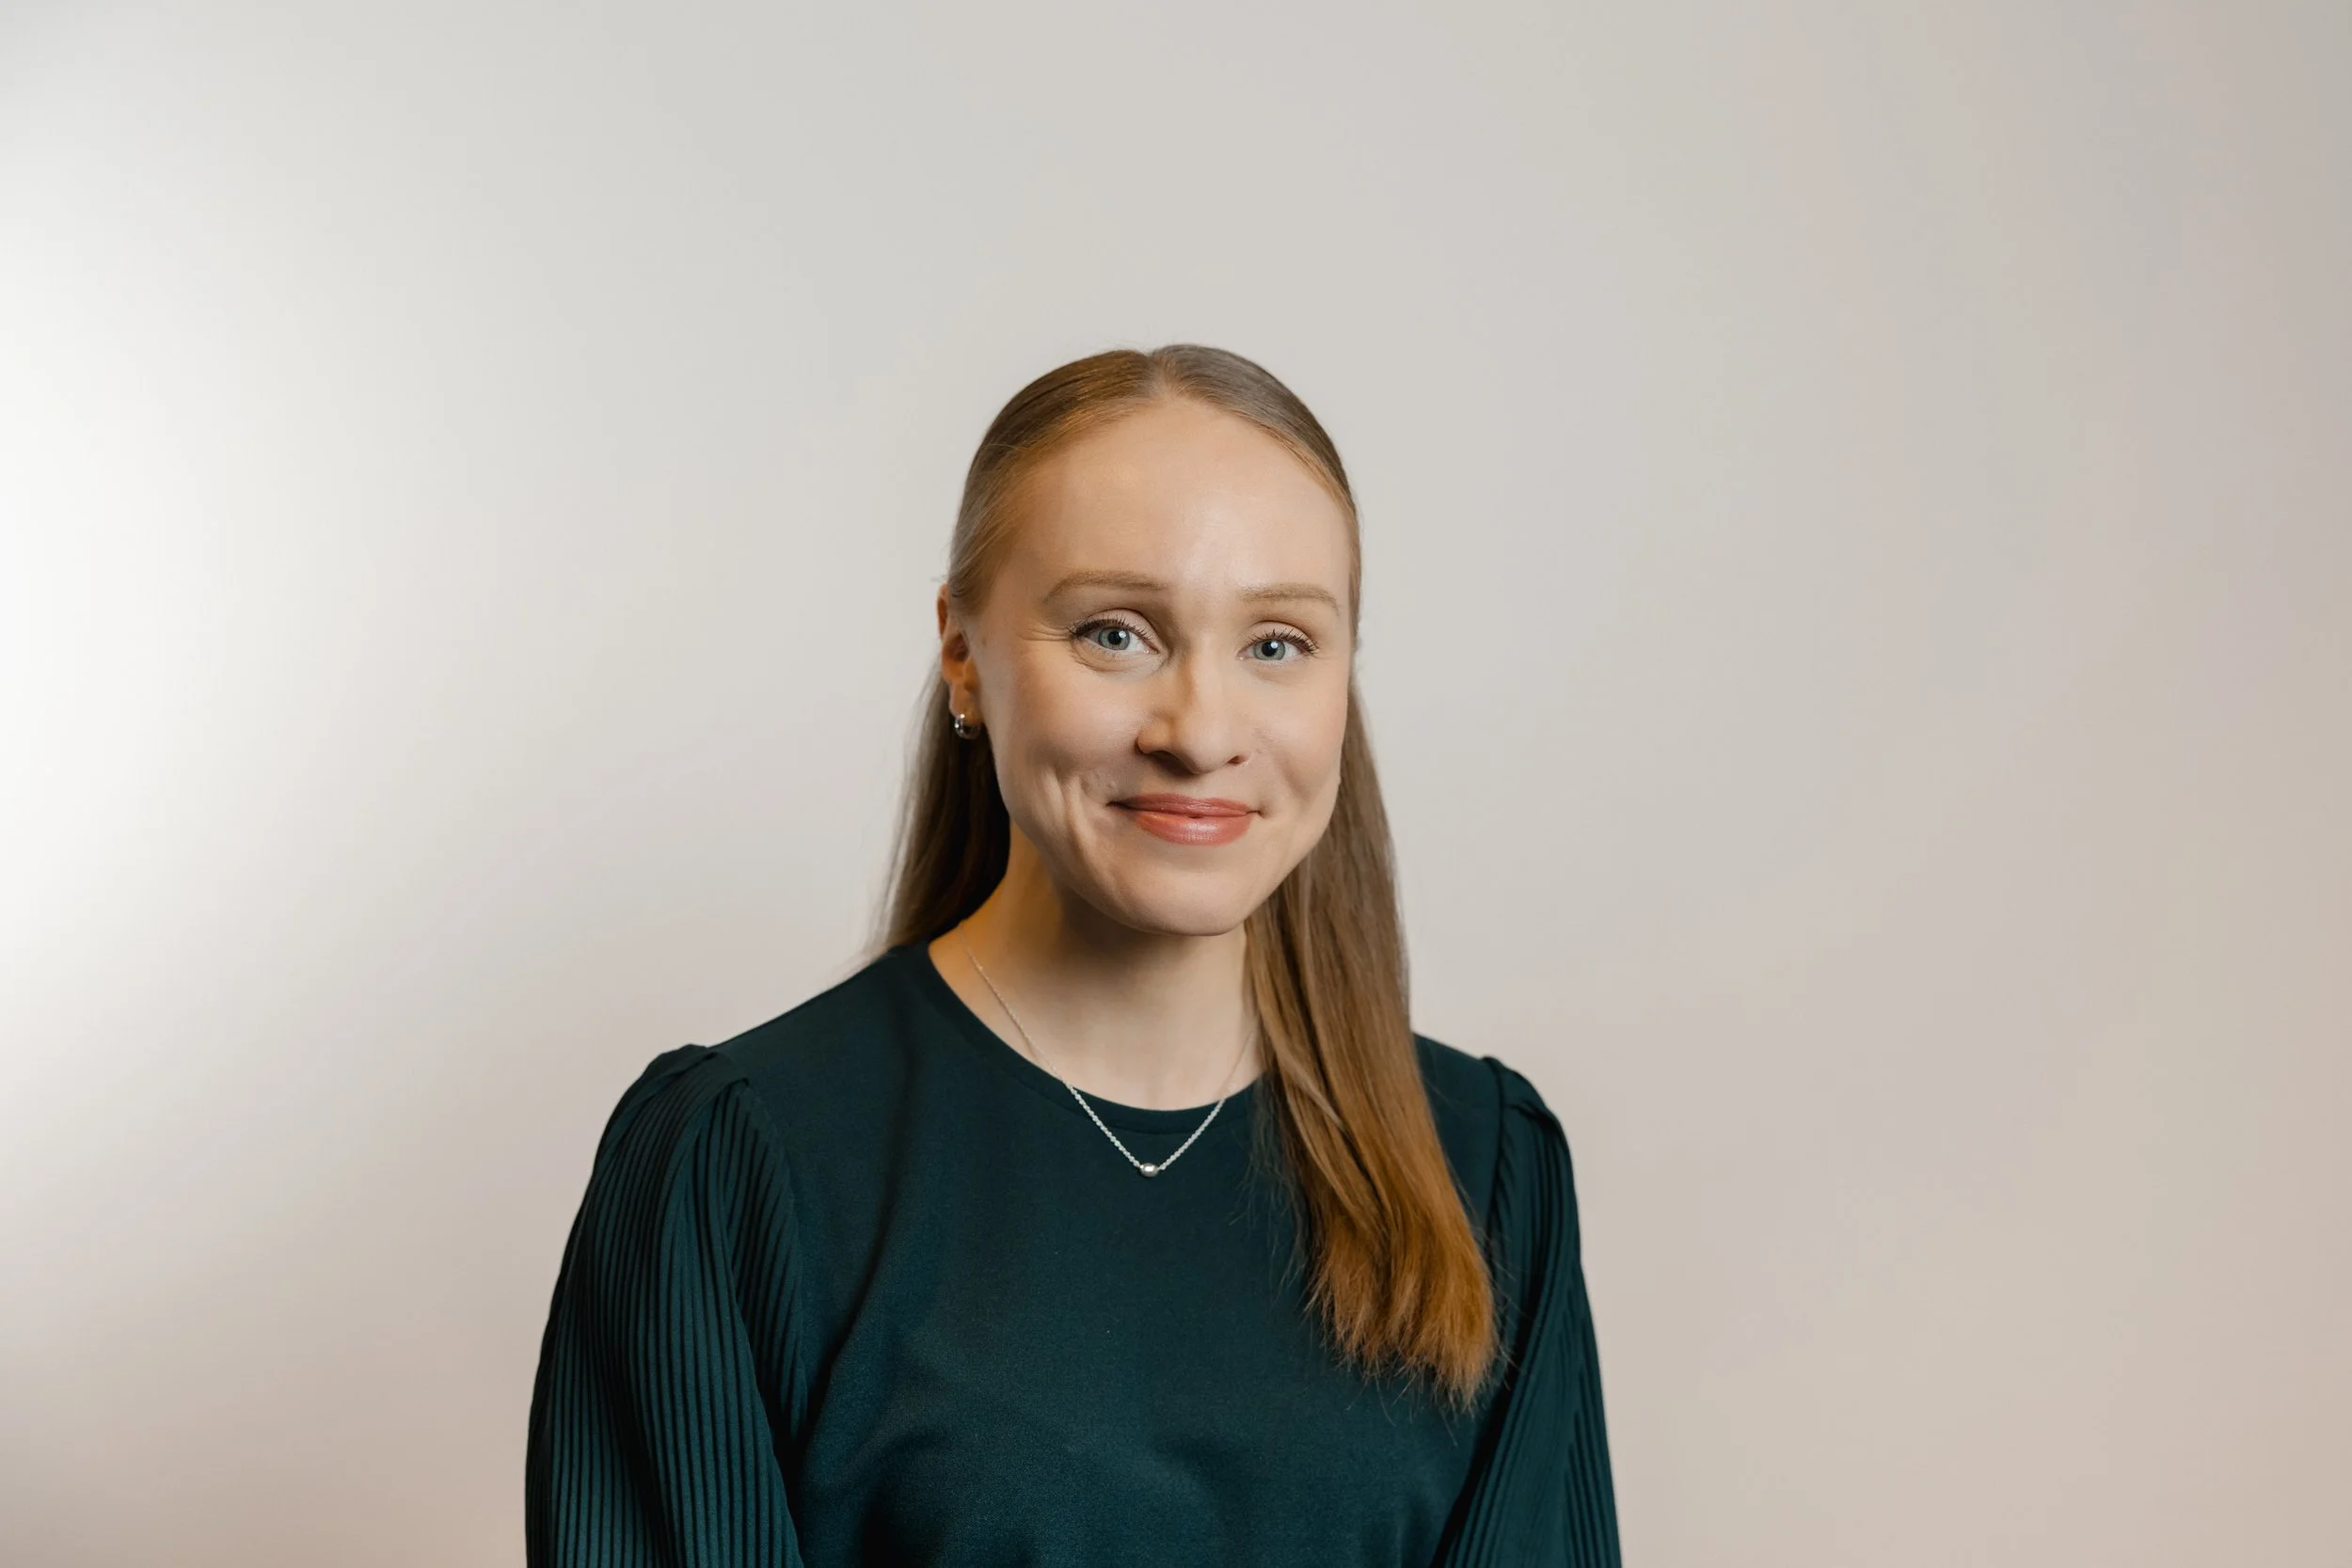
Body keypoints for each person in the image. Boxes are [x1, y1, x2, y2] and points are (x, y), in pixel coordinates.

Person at [524, 345, 1620, 1566]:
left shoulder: (1489, 1164)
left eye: (1277, 643)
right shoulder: (737, 1167)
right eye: (1115, 633)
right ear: (962, 653)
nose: (1201, 733)